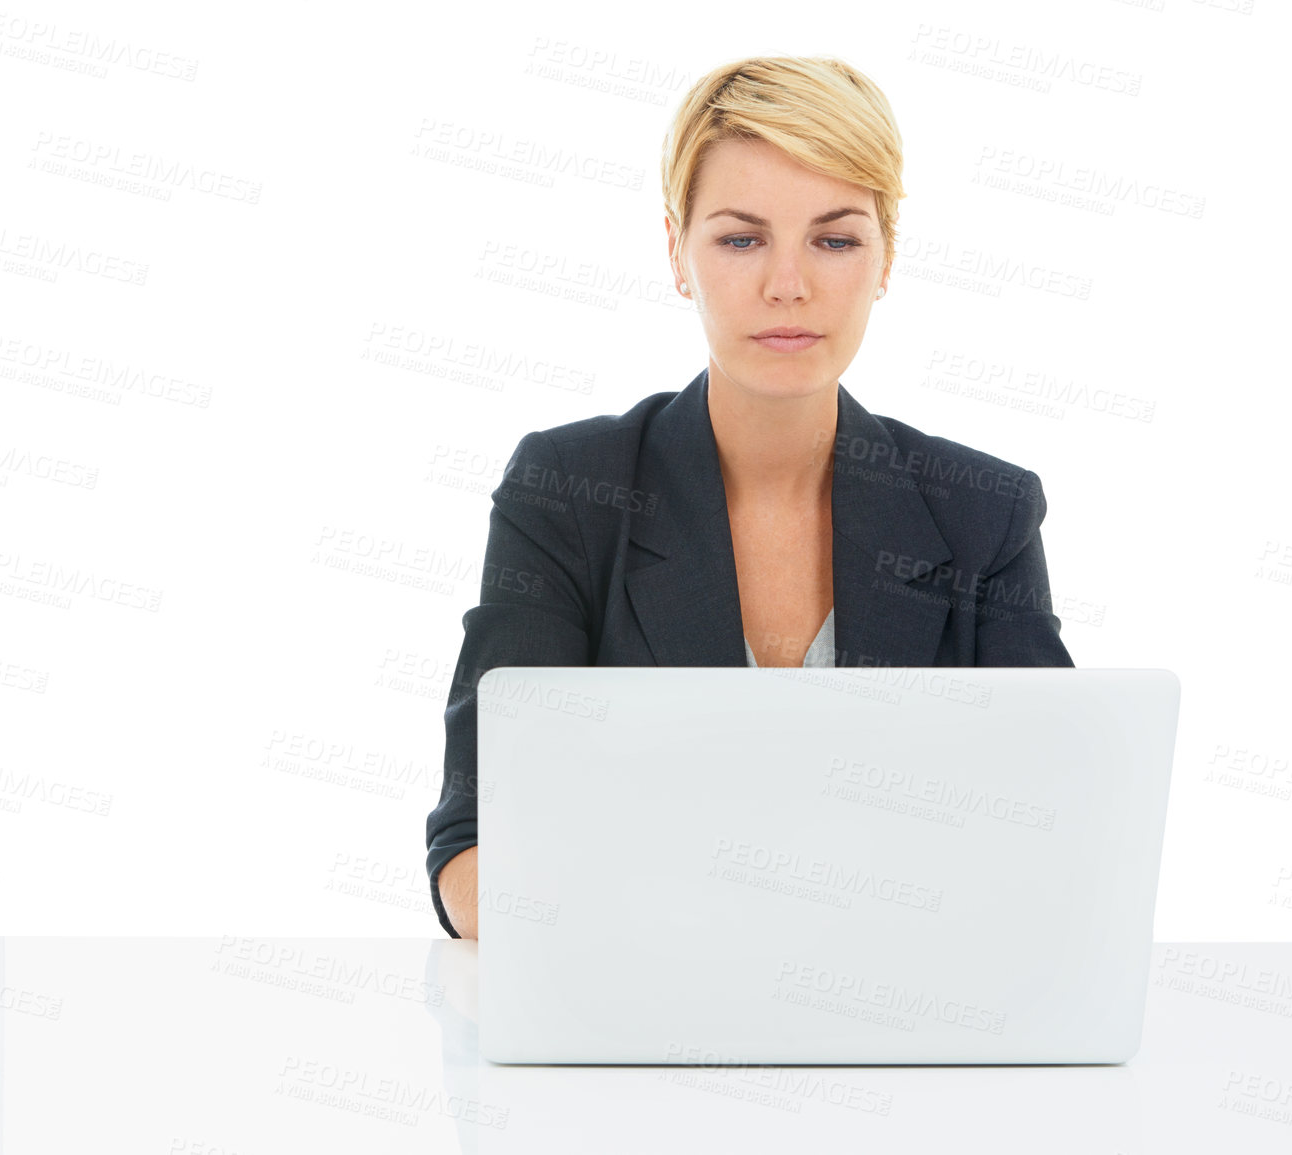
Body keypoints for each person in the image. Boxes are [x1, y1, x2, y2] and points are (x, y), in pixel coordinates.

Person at [425, 56, 1076, 940]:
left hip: (904, 1027)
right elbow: (473, 849)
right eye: (740, 238)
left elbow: (1055, 842)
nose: (787, 285)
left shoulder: (983, 513)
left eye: (835, 239)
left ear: (886, 256)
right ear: (675, 253)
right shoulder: (567, 493)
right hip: (638, 1023)